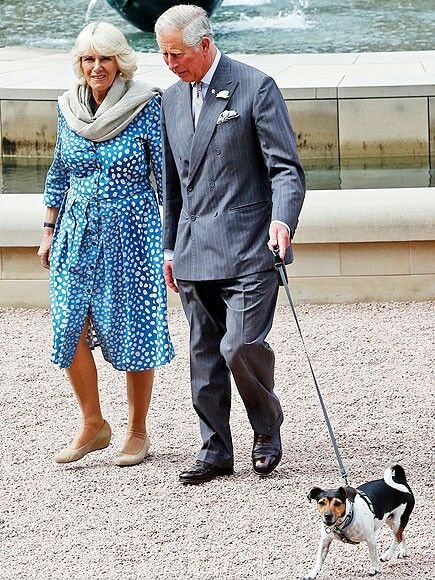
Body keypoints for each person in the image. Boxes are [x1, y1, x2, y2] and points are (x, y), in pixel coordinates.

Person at [155, 5, 305, 484]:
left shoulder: (254, 86)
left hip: (250, 245)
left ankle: (267, 427)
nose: (170, 63)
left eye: (176, 53)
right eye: (162, 54)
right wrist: (170, 249)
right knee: (203, 353)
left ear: (204, 44)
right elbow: (175, 185)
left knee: (239, 345)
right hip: (194, 247)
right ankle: (215, 450)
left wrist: (282, 221)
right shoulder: (170, 100)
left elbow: (286, 169)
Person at [37, 21, 174, 467]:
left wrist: (172, 239)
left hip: (132, 232)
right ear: (80, 63)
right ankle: (93, 424)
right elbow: (59, 169)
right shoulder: (67, 106)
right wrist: (47, 229)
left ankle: (137, 431)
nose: (96, 67)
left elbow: (167, 178)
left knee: (134, 328)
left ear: (120, 61)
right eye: (89, 59)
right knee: (67, 328)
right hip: (75, 233)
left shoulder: (146, 104)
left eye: (105, 58)